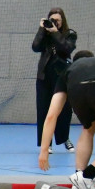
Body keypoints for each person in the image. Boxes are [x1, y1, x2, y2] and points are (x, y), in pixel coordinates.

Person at [38, 51, 95, 189]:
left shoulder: (67, 72)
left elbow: (51, 115)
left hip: (76, 89)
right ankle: (87, 175)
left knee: (88, 127)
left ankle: (79, 176)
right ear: (92, 59)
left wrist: (44, 150)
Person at [32, 8, 77, 152]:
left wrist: (55, 32)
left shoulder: (70, 34)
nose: (54, 23)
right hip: (44, 76)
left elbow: (66, 49)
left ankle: (64, 138)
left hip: (62, 76)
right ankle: (46, 142)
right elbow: (35, 47)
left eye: (57, 20)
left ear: (62, 21)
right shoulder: (44, 35)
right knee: (43, 109)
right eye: (52, 20)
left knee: (64, 110)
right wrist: (41, 29)